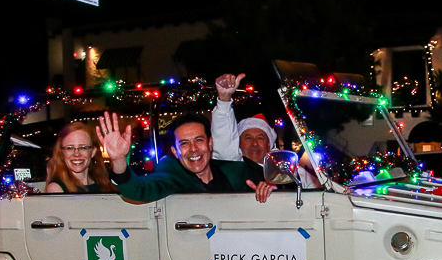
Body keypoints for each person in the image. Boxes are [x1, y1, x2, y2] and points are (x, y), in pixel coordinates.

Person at [97, 111, 274, 204]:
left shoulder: (236, 171)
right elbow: (136, 190)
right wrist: (119, 160)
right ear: (175, 151)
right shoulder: (171, 175)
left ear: (210, 144)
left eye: (199, 140)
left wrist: (267, 189)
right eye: (184, 143)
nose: (193, 149)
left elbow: (276, 185)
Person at [211, 73, 320, 188]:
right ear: (238, 144)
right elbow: (223, 139)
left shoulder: (290, 171)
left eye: (260, 138)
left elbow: (320, 191)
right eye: (248, 138)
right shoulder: (234, 167)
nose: (254, 143)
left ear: (269, 145)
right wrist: (224, 100)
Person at [45, 121, 116, 194]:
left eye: (83, 147)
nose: (76, 154)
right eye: (69, 148)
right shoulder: (56, 188)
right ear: (62, 152)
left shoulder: (105, 183)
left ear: (93, 152)